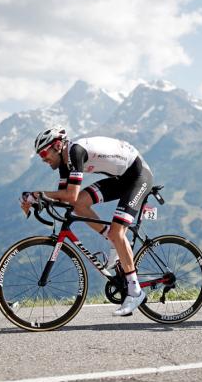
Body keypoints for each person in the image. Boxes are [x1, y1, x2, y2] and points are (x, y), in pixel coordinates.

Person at [20, 126, 153, 316]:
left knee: (117, 232)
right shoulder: (65, 164)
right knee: (80, 205)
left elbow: (70, 195)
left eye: (43, 153)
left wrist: (36, 195)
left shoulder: (75, 152)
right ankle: (113, 241)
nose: (43, 159)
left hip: (138, 177)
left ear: (57, 145)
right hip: (119, 179)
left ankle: (135, 292)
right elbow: (65, 199)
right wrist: (35, 200)